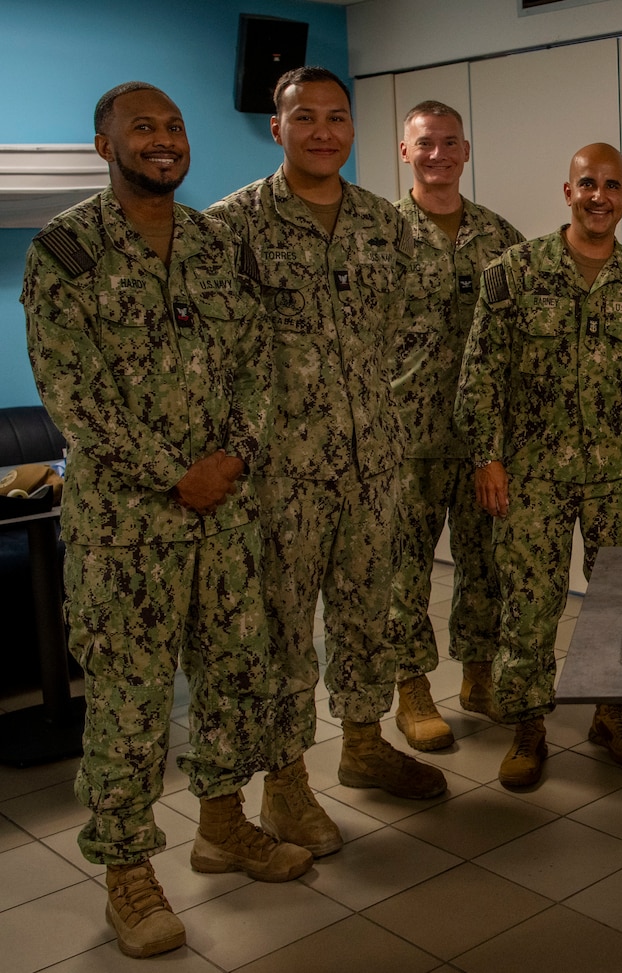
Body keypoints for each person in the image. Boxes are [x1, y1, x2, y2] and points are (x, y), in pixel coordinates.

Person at [22, 82, 312, 959]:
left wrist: (231, 458)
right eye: (142, 127)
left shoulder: (222, 247)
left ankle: (222, 825)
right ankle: (125, 873)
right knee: (130, 704)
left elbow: (262, 368)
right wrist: (171, 474)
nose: (164, 140)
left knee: (234, 680)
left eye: (174, 127)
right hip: (125, 532)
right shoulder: (65, 253)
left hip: (224, 515)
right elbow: (72, 396)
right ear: (103, 142)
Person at [209, 67, 446, 858]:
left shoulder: (388, 224)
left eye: (336, 117)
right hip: (280, 477)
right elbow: (208, 351)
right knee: (282, 635)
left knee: (365, 614)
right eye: (303, 117)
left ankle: (364, 739)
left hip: (372, 464)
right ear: (276, 129)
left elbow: (420, 321)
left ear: (353, 130)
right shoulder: (230, 229)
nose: (321, 130)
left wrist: (376, 391)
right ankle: (284, 783)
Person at [455, 143, 622, 787]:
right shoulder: (516, 271)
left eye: (612, 186)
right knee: (529, 604)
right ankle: (528, 724)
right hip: (531, 469)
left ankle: (611, 713)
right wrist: (487, 456)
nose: (598, 196)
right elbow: (481, 374)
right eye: (587, 183)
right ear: (567, 192)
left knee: (621, 602)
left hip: (619, 471)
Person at [385, 100, 524, 750]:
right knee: (404, 570)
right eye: (424, 144)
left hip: (482, 441)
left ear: (465, 152)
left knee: (484, 563)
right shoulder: (379, 235)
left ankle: (477, 674)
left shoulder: (502, 238)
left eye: (449, 143)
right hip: (404, 440)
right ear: (404, 152)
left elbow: (524, 334)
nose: (437, 155)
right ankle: (412, 690)